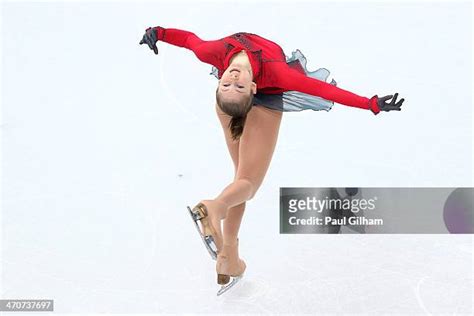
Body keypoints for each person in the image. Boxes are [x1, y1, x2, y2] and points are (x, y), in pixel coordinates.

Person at [139, 26, 405, 295]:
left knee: (239, 180)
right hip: (241, 106)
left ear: (247, 86)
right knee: (247, 184)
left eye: (232, 83)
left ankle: (228, 258)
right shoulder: (270, 74)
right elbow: (323, 90)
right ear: (241, 87)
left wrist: (157, 32)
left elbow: (187, 39)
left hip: (233, 103)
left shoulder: (218, 54)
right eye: (231, 84)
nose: (231, 77)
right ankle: (214, 207)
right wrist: (369, 104)